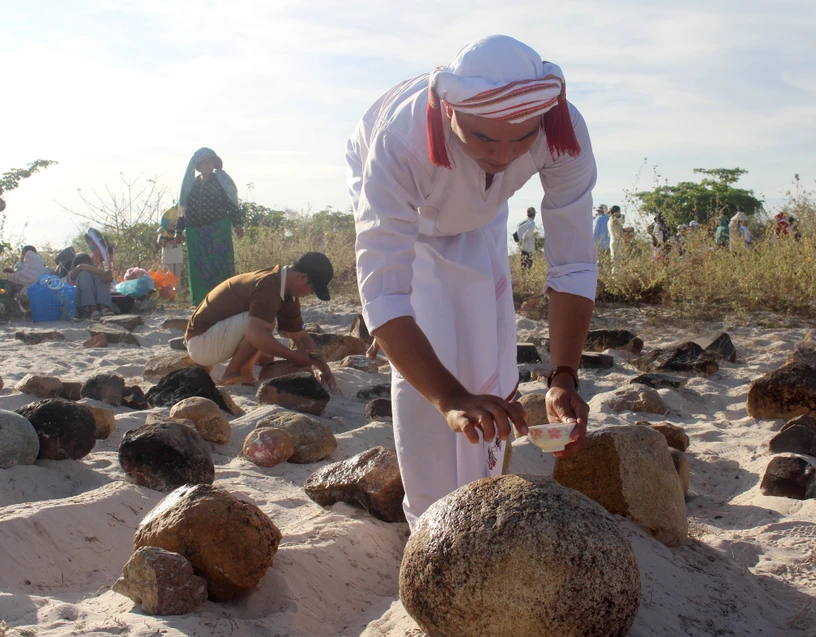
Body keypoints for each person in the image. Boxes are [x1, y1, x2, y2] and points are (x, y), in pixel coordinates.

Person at [346, 34, 596, 528]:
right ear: (449, 113)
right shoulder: (398, 143)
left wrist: (563, 376)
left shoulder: (559, 129)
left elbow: (572, 264)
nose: (504, 156)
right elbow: (384, 289)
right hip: (413, 217)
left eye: (522, 138)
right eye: (485, 137)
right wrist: (448, 398)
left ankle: (483, 499)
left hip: (481, 212)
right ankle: (430, 525)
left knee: (491, 347)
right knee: (431, 345)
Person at [183, 252, 336, 386]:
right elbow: (255, 334)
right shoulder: (268, 285)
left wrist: (322, 366)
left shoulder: (286, 290)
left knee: (262, 328)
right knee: (263, 326)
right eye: (312, 290)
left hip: (214, 337)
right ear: (303, 278)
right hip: (201, 344)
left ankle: (245, 373)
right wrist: (295, 357)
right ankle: (232, 374)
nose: (310, 294)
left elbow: (300, 335)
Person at [177, 147, 245, 305]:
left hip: (217, 231)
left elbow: (232, 204)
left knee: (220, 267)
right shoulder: (190, 185)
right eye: (205, 162)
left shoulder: (221, 182)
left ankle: (224, 300)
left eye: (211, 162)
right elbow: (183, 209)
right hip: (195, 234)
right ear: (198, 165)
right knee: (199, 269)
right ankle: (202, 302)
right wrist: (179, 230)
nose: (208, 165)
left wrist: (238, 224)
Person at [67, 252, 115, 319]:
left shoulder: (95, 274)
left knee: (100, 277)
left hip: (97, 301)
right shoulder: (72, 274)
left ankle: (103, 308)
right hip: (81, 304)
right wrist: (103, 273)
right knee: (84, 274)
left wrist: (107, 277)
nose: (88, 267)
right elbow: (81, 267)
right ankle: (92, 310)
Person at [515, 207, 538, 271]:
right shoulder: (531, 222)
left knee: (523, 267)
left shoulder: (520, 223)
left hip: (522, 248)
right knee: (528, 267)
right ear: (534, 214)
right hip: (528, 248)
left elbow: (517, 234)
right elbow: (526, 234)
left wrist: (520, 242)